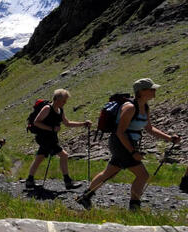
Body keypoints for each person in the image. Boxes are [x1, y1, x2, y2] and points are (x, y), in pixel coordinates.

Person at [77, 78, 180, 210]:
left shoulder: (145, 107)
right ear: (141, 91)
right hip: (121, 143)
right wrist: (133, 152)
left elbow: (149, 128)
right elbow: (120, 132)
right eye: (152, 89)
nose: (155, 91)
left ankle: (85, 197)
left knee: (109, 172)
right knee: (143, 175)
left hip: (125, 144)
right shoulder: (130, 108)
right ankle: (134, 207)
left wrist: (169, 138)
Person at [25, 89, 91, 190]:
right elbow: (36, 122)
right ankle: (68, 182)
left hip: (51, 138)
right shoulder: (47, 108)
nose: (65, 103)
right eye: (63, 101)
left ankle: (29, 181)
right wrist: (51, 128)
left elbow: (67, 123)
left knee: (40, 158)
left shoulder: (60, 110)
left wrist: (83, 124)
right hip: (44, 138)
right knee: (64, 155)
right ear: (57, 99)